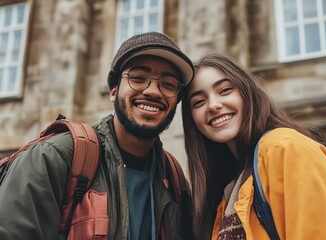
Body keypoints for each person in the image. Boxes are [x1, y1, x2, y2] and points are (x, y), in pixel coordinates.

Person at [0, 32, 195, 240]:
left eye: (168, 84)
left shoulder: (175, 180)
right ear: (113, 90)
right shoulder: (55, 156)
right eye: (138, 78)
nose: (154, 91)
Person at [181, 53, 326, 240]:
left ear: (247, 92)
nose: (213, 105)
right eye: (199, 102)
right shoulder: (229, 187)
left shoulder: (285, 147)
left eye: (225, 90)